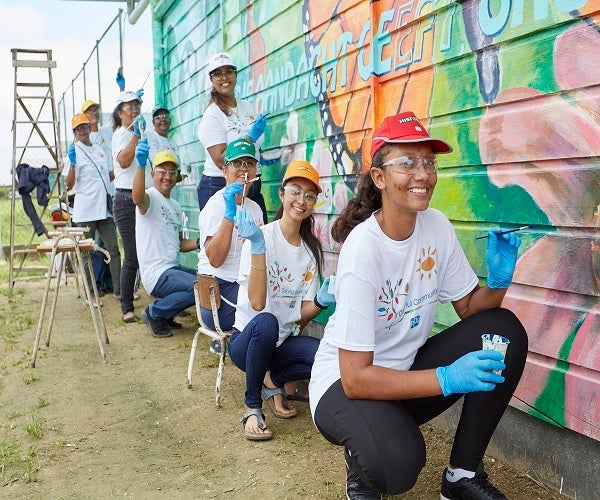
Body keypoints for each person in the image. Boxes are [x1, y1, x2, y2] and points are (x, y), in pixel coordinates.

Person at [308, 111, 528, 500]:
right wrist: (446, 378)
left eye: (429, 162)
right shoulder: (363, 249)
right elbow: (356, 378)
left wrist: (497, 282)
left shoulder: (436, 226)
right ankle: (361, 457)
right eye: (407, 163)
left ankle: (461, 476)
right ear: (379, 177)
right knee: (397, 467)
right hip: (343, 387)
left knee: (503, 330)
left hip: (402, 376)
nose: (423, 174)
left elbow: (471, 308)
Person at [229, 160, 335, 441]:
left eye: (309, 195)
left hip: (281, 346)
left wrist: (323, 301)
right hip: (247, 341)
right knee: (266, 322)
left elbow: (300, 314)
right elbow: (256, 301)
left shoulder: (311, 252)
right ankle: (252, 405)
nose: (301, 200)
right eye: (295, 191)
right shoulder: (260, 237)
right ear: (282, 194)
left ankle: (274, 381)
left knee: (324, 354)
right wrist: (259, 249)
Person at [197, 138, 264, 353]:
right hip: (218, 295)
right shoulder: (215, 205)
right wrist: (229, 214)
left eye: (250, 163)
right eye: (237, 163)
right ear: (225, 170)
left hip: (243, 286)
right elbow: (215, 260)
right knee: (267, 310)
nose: (244, 169)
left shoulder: (255, 209)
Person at [132, 142, 199, 338]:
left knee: (205, 280)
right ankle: (155, 313)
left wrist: (200, 242)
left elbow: (180, 244)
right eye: (162, 170)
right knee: (198, 286)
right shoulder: (150, 199)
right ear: (153, 174)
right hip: (156, 273)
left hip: (171, 268)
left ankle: (166, 315)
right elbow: (137, 198)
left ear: (177, 176)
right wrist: (140, 165)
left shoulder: (176, 206)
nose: (167, 176)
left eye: (172, 171)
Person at [197, 52, 269, 223]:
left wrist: (261, 156)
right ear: (212, 79)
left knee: (258, 238)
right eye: (218, 73)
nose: (224, 77)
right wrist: (249, 137)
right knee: (224, 244)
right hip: (220, 185)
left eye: (229, 71)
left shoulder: (247, 107)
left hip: (251, 183)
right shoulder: (212, 115)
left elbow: (254, 146)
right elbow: (221, 160)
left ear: (236, 75)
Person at [65, 113, 121, 304]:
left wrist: (122, 168)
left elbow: (107, 176)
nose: (82, 130)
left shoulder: (98, 149)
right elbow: (69, 183)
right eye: (78, 128)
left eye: (85, 126)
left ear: (89, 128)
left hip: (104, 208)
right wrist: (72, 164)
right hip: (86, 210)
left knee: (113, 249)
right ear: (74, 132)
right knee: (86, 252)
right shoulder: (75, 150)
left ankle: (119, 291)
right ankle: (91, 294)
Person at [111, 91, 151, 323]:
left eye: (137, 107)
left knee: (146, 252)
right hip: (125, 199)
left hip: (142, 194)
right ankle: (126, 306)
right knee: (132, 256)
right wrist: (135, 136)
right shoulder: (120, 135)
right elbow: (123, 161)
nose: (134, 111)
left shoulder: (141, 133)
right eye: (129, 108)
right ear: (119, 113)